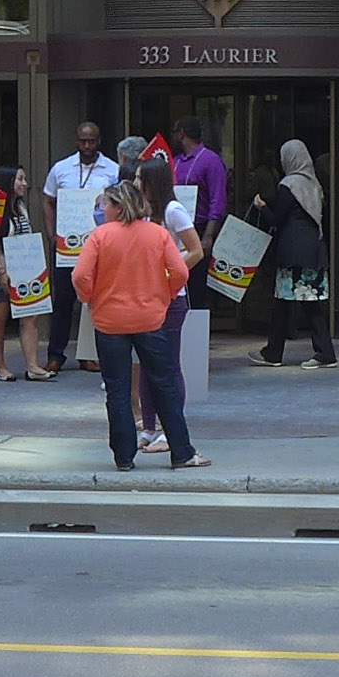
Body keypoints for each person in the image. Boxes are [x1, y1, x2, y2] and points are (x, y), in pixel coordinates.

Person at [73, 181, 208, 472]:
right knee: (164, 384)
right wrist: (164, 295)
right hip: (150, 318)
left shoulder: (99, 236)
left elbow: (80, 275)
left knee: (117, 390)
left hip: (109, 320)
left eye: (105, 204)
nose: (102, 210)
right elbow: (180, 271)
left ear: (119, 207)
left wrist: (90, 298)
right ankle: (182, 452)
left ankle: (123, 457)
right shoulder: (157, 234)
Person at [131, 156, 202, 456]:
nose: (135, 183)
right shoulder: (141, 213)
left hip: (171, 297)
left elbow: (196, 250)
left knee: (169, 364)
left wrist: (168, 273)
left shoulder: (173, 210)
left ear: (152, 182)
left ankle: (170, 431)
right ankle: (148, 427)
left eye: (139, 178)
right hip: (146, 297)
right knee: (146, 362)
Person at [252, 140, 337, 368]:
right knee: (310, 303)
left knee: (285, 303)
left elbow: (277, 219)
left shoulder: (288, 185)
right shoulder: (314, 184)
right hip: (314, 250)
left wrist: (262, 206)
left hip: (292, 252)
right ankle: (319, 352)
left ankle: (278, 353)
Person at [42, 123, 115, 376]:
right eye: (83, 141)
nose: (87, 146)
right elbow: (48, 201)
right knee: (63, 301)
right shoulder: (61, 168)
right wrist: (51, 235)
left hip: (99, 246)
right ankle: (55, 355)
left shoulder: (112, 170)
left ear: (99, 141)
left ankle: (89, 355)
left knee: (95, 301)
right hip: (66, 246)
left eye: (91, 141)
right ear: (76, 141)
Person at [0, 163, 38, 381]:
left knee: (30, 316)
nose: (25, 184)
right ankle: (1, 367)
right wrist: (2, 272)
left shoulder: (20, 207)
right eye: (20, 179)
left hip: (23, 270)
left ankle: (33, 366)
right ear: (8, 181)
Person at [168, 118, 229, 291]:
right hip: (176, 228)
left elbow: (218, 199)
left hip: (199, 228)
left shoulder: (211, 160)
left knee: (196, 285)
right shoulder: (176, 161)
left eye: (174, 133)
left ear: (181, 134)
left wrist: (208, 235)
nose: (172, 137)